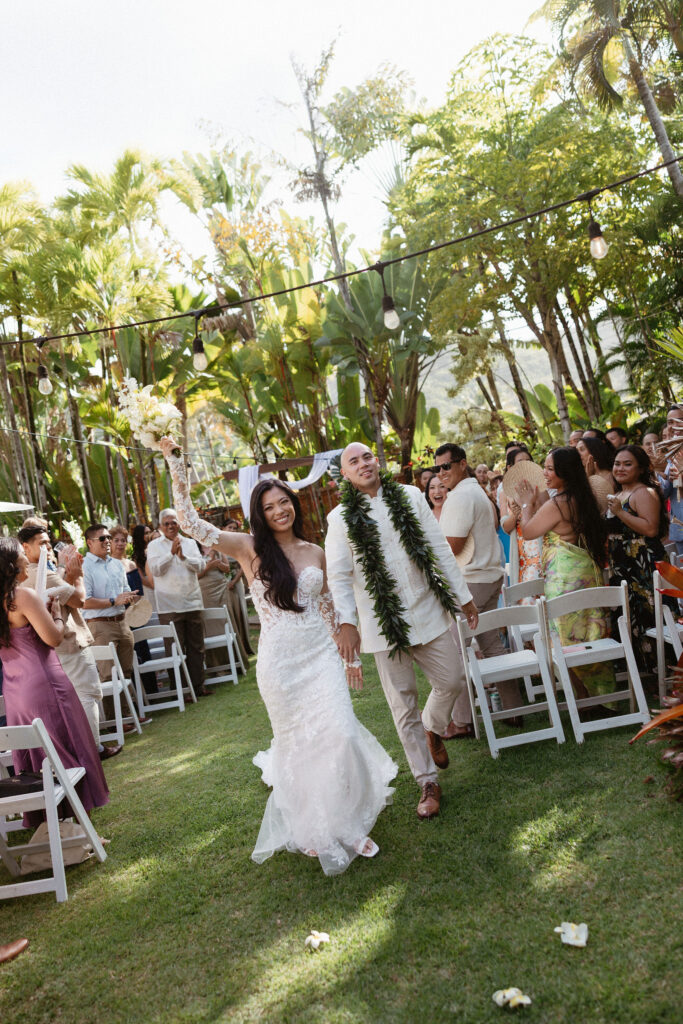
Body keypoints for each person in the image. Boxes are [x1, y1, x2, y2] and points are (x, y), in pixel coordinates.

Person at [159, 436, 396, 875]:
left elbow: (329, 607)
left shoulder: (314, 552)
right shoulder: (247, 548)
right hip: (280, 665)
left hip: (321, 656)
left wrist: (349, 656)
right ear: (260, 514)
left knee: (341, 735)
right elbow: (190, 522)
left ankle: (348, 820)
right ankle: (319, 828)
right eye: (269, 507)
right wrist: (175, 463)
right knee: (300, 748)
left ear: (293, 504)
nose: (279, 511)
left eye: (283, 502)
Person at [326, 442, 478, 819]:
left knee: (453, 679)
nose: (363, 464)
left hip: (428, 610)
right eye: (353, 461)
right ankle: (427, 781)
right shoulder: (339, 519)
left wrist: (463, 596)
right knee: (402, 704)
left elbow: (439, 548)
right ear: (344, 474)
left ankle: (433, 726)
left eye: (367, 457)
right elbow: (339, 577)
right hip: (383, 625)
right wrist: (347, 622)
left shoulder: (410, 496)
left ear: (377, 461)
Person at [0, 539, 108, 826]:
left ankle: (53, 824)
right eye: (22, 555)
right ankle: (79, 826)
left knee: (36, 753)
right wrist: (57, 616)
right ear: (11, 565)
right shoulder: (23, 597)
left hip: (15, 691)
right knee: (67, 748)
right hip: (45, 683)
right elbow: (54, 639)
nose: (27, 559)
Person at [435, 442, 522, 736]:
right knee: (490, 643)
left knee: (454, 651)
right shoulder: (475, 491)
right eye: (438, 468)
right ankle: (513, 708)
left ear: (462, 463)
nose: (441, 472)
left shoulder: (462, 496)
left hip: (472, 581)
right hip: (488, 576)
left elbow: (453, 546)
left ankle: (462, 721)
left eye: (446, 466)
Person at [17, 525, 121, 760]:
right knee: (88, 693)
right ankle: (93, 749)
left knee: (75, 698)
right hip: (68, 643)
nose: (47, 547)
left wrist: (67, 574)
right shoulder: (40, 573)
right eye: (41, 543)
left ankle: (83, 749)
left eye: (48, 542)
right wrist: (78, 576)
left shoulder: (34, 574)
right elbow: (79, 599)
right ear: (25, 547)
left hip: (48, 648)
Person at [518, 447, 613, 700]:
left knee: (564, 635)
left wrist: (526, 503)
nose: (545, 473)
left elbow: (528, 532)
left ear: (565, 472)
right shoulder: (585, 498)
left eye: (550, 469)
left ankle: (583, 696)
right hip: (586, 572)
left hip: (565, 577)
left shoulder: (558, 503)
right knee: (589, 631)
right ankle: (596, 694)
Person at [607, 444, 671, 671]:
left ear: (641, 468)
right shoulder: (618, 494)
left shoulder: (643, 492)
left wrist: (620, 512)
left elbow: (651, 529)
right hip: (623, 565)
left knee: (651, 613)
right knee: (630, 613)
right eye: (617, 463)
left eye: (627, 464)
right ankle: (641, 670)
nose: (620, 468)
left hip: (643, 564)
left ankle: (663, 668)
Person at [146, 509, 211, 697]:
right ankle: (181, 691)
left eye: (173, 522)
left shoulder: (189, 543)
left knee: (196, 646)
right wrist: (171, 554)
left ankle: (198, 687)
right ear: (160, 526)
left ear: (179, 524)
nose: (170, 526)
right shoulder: (154, 546)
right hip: (169, 606)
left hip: (192, 601)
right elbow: (155, 571)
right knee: (175, 649)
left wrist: (183, 557)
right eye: (166, 523)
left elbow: (201, 566)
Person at [82, 523, 138, 681]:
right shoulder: (84, 566)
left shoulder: (117, 564)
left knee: (127, 674)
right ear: (90, 542)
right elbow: (85, 602)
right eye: (102, 538)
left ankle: (128, 700)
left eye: (108, 537)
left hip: (123, 623)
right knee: (109, 677)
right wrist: (114, 601)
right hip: (100, 626)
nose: (107, 541)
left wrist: (130, 597)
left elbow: (125, 591)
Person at [499, 447, 543, 590]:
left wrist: (528, 505)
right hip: (519, 548)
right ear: (510, 467)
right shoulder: (504, 492)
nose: (525, 465)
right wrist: (515, 514)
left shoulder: (541, 486)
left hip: (540, 542)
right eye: (520, 462)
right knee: (525, 591)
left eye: (528, 461)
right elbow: (505, 527)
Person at [654, 405, 683, 556]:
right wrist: (655, 472)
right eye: (670, 422)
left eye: (679, 420)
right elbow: (664, 493)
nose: (673, 426)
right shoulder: (671, 456)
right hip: (680, 529)